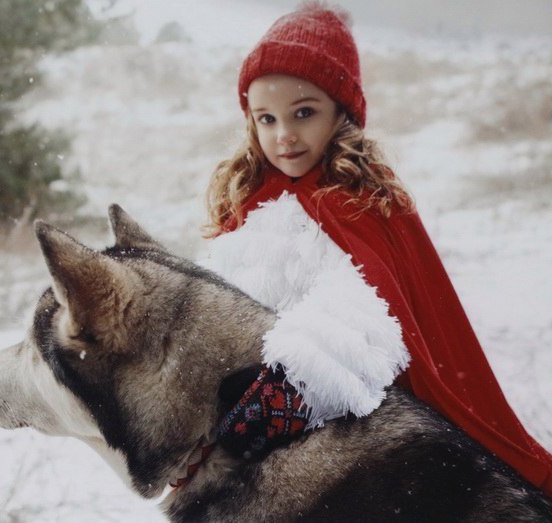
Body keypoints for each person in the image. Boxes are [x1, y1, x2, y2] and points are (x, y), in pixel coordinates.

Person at [199, 3, 552, 495]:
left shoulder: (359, 204)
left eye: (304, 112)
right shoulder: (255, 204)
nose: (284, 135)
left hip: (355, 429)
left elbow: (363, 317)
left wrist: (284, 395)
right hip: (257, 433)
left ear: (341, 111)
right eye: (266, 118)